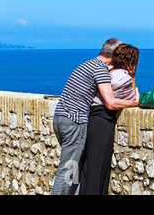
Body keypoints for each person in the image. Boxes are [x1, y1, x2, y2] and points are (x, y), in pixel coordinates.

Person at [51, 38, 139, 195]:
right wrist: (135, 103)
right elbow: (111, 103)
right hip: (74, 121)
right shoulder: (100, 69)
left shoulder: (87, 64)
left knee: (76, 167)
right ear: (114, 54)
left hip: (60, 118)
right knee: (68, 171)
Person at [79, 44, 140, 195]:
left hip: (92, 118)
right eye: (136, 60)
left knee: (89, 166)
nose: (138, 64)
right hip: (103, 120)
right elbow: (134, 98)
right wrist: (133, 77)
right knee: (99, 167)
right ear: (130, 62)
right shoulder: (123, 77)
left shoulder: (108, 71)